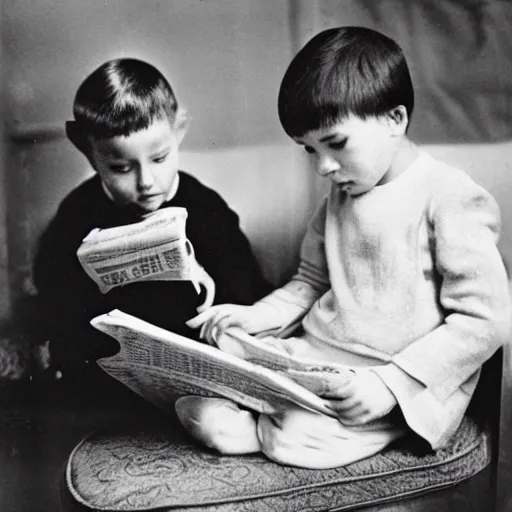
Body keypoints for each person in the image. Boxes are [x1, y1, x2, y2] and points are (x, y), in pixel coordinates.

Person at [177, 26, 511, 469]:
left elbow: (485, 321)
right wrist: (260, 317)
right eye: (308, 150)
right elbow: (310, 281)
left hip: (391, 376)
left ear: (395, 119)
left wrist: (391, 385)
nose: (324, 167)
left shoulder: (451, 198)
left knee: (295, 437)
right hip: (316, 356)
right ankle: (257, 417)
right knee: (217, 353)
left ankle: (265, 427)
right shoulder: (341, 195)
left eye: (335, 143)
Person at [33, 58, 271, 384]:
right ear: (86, 149)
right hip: (109, 371)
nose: (146, 181)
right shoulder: (76, 213)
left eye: (159, 158)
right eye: (120, 167)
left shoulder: (205, 208)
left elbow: (247, 292)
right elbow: (54, 296)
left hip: (192, 362)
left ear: (179, 130)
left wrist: (214, 294)